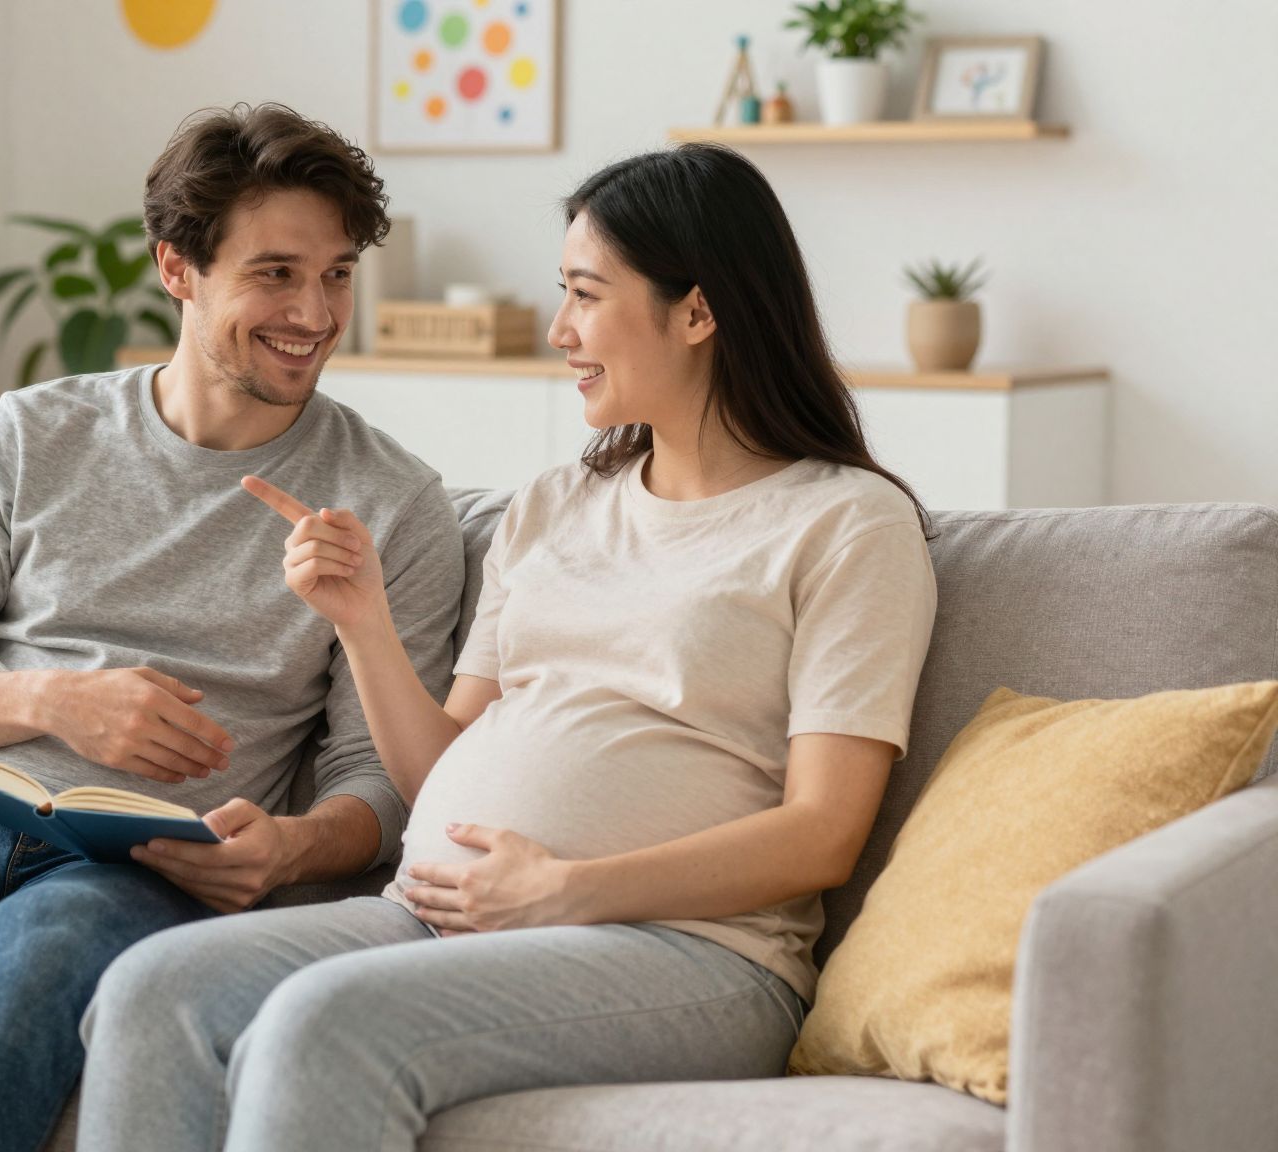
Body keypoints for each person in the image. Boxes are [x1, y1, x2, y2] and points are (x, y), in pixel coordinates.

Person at [77, 142, 940, 1152]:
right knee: (153, 987)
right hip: (438, 917)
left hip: (691, 954)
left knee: (323, 1027)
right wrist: (360, 621)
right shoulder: (550, 507)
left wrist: (571, 888)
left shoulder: (844, 525)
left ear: (696, 313)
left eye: (584, 294)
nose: (559, 329)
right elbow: (441, 766)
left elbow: (822, 831)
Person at [0, 103, 466, 1152]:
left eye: (335, 273)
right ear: (177, 268)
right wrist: (49, 700)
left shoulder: (389, 503)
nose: (314, 310)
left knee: (40, 961)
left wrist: (291, 848)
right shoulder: (33, 432)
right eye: (275, 273)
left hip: (145, 865)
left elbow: (376, 782)